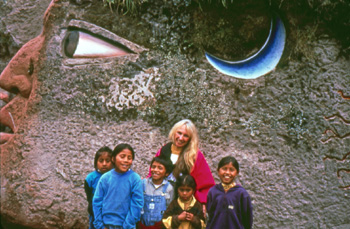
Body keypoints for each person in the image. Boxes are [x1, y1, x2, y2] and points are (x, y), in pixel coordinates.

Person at [149, 119, 215, 211]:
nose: (181, 138)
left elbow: (206, 183)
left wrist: (203, 202)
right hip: (161, 200)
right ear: (174, 132)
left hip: (183, 203)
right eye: (179, 133)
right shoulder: (164, 150)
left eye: (185, 135)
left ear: (190, 138)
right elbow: (152, 173)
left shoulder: (195, 155)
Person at [93, 143, 143, 229]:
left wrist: (128, 225)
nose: (126, 160)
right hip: (106, 225)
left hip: (126, 225)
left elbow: (137, 204)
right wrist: (100, 225)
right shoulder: (105, 178)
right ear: (113, 158)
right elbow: (97, 201)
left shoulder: (135, 179)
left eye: (129, 158)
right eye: (122, 156)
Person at [206, 156, 253, 229]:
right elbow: (210, 215)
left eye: (231, 170)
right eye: (224, 169)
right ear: (218, 170)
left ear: (237, 172)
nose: (227, 173)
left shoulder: (242, 194)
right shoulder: (213, 192)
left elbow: (247, 219)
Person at [139, 157, 175, 229]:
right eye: (153, 167)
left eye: (160, 168)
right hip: (142, 225)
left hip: (160, 226)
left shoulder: (169, 188)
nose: (155, 170)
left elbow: (170, 209)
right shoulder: (143, 184)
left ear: (167, 173)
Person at [84, 146, 114, 229]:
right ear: (96, 162)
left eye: (107, 161)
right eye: (101, 161)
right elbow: (89, 196)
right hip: (95, 213)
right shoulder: (90, 178)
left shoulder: (115, 177)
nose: (104, 164)